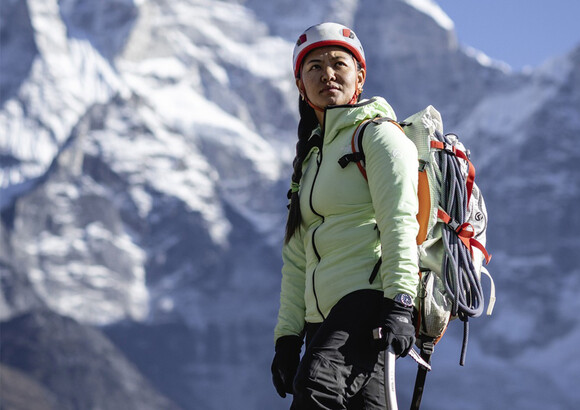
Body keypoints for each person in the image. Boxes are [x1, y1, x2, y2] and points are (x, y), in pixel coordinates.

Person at [271, 22, 420, 409]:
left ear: (360, 77)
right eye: (314, 67)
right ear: (301, 86)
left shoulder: (378, 136)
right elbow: (297, 258)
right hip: (323, 318)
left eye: (339, 63)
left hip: (369, 299)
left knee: (316, 389)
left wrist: (402, 302)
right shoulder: (311, 161)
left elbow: (401, 220)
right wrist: (288, 338)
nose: (328, 74)